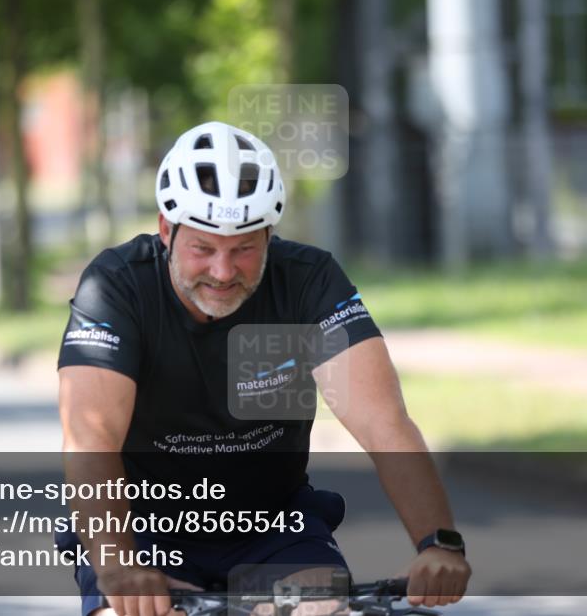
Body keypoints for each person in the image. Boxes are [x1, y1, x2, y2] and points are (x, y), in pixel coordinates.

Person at [56, 122, 470, 616]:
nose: (223, 272)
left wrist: (438, 541)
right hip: (143, 528)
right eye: (203, 249)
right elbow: (91, 435)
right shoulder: (116, 286)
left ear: (270, 237)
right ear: (167, 230)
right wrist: (116, 561)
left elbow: (384, 422)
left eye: (244, 249)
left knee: (326, 611)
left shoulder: (309, 282)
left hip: (273, 527)